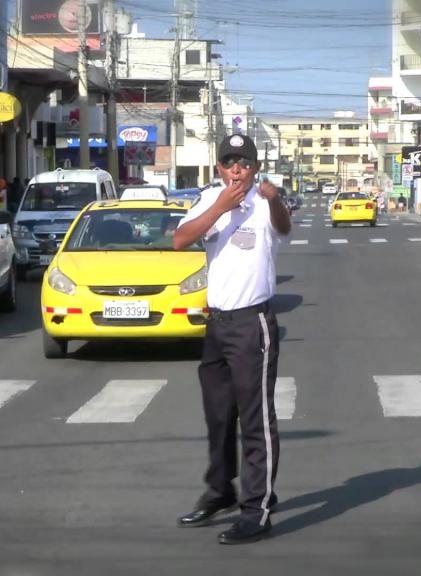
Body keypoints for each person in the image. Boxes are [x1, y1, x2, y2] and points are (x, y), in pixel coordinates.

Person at [172, 134, 291, 545]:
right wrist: (220, 208)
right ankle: (221, 491)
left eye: (243, 162)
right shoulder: (210, 200)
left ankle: (257, 510)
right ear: (220, 168)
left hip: (251, 324)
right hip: (217, 325)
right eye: (229, 162)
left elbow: (283, 227)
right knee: (219, 415)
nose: (236, 169)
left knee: (255, 419)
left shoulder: (264, 202)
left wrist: (274, 199)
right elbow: (179, 239)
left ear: (255, 167)